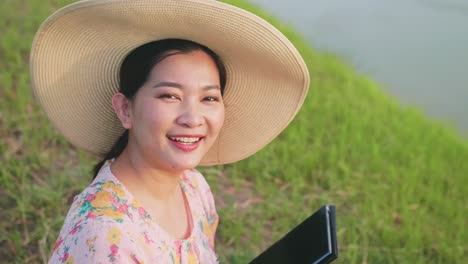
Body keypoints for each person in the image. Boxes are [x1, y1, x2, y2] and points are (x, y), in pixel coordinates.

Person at [30, 0, 309, 263]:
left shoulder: (194, 186)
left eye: (208, 98)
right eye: (169, 96)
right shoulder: (105, 235)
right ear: (125, 109)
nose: (192, 119)